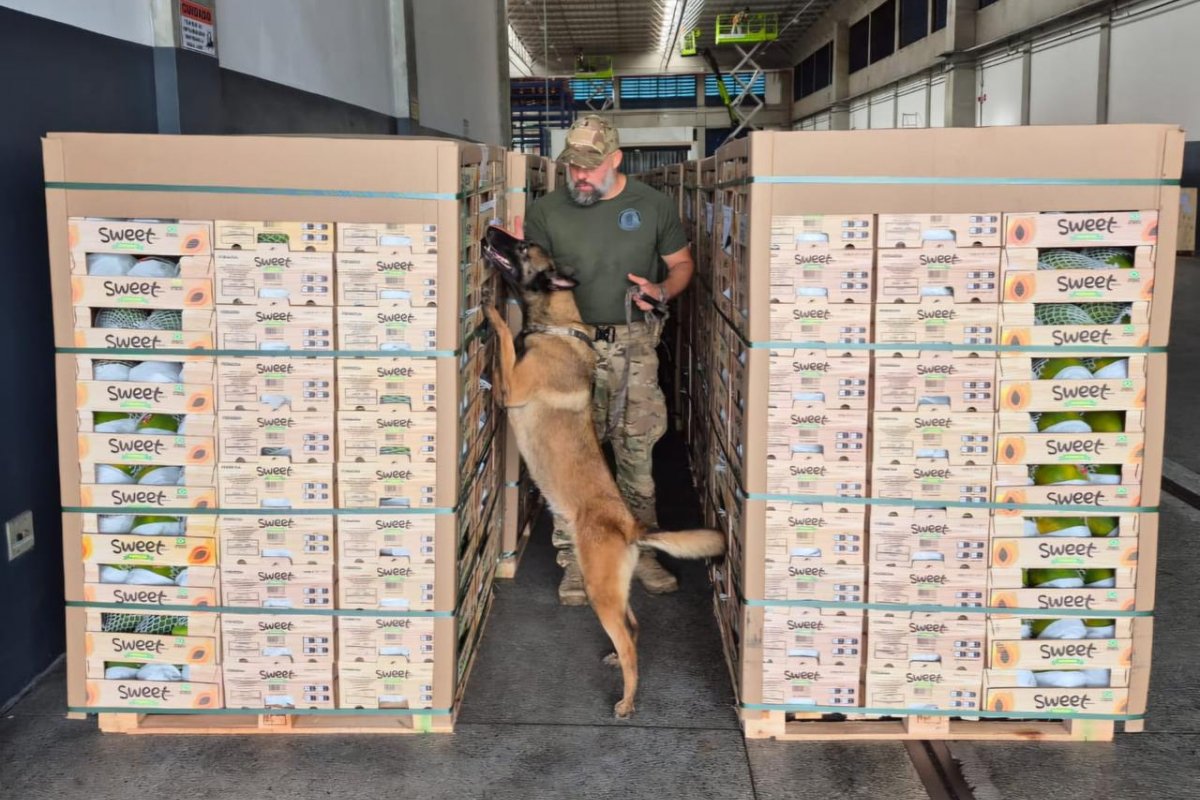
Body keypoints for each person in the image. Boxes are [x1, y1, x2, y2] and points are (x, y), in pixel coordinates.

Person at [517, 115, 695, 605]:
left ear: (617, 160)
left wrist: (660, 289)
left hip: (634, 345)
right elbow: (534, 279)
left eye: (591, 168)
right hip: (567, 350)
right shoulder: (546, 212)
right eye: (573, 166)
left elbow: (682, 266)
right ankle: (575, 558)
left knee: (637, 449)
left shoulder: (653, 206)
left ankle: (640, 547)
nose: (580, 176)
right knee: (570, 457)